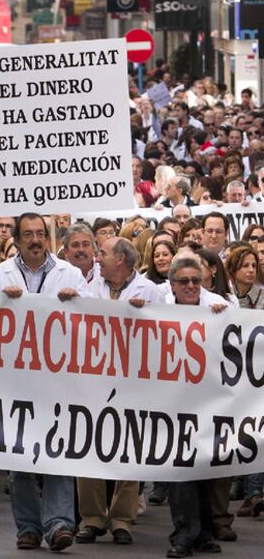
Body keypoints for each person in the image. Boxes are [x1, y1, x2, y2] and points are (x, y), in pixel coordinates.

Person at [0, 212, 89, 552]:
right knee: (20, 459)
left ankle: (59, 523)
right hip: (15, 382)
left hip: (59, 381)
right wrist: (3, 302)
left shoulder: (71, 274)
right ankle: (29, 527)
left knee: (58, 452)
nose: (34, 239)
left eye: (40, 234)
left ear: (48, 238)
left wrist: (77, 301)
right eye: (27, 234)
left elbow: (93, 322)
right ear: (15, 239)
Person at [76, 238, 162, 546]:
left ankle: (122, 519)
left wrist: (146, 313)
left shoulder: (150, 291)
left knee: (129, 448)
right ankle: (92, 518)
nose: (97, 259)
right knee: (88, 446)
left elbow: (168, 333)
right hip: (95, 379)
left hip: (133, 382)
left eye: (102, 253)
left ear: (121, 259)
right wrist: (65, 300)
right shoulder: (90, 288)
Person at [165, 257, 226, 558]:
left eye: (196, 281)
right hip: (171, 403)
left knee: (204, 468)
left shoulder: (217, 305)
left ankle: (201, 532)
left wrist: (223, 317)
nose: (191, 286)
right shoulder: (158, 307)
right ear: (172, 285)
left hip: (209, 400)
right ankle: (184, 533)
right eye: (184, 281)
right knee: (180, 467)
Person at [225, 245, 264, 519]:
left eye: (254, 265)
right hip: (233, 377)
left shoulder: (263, 295)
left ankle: (254, 493)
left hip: (259, 376)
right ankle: (249, 489)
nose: (250, 270)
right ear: (233, 269)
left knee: (258, 431)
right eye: (245, 266)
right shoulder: (225, 299)